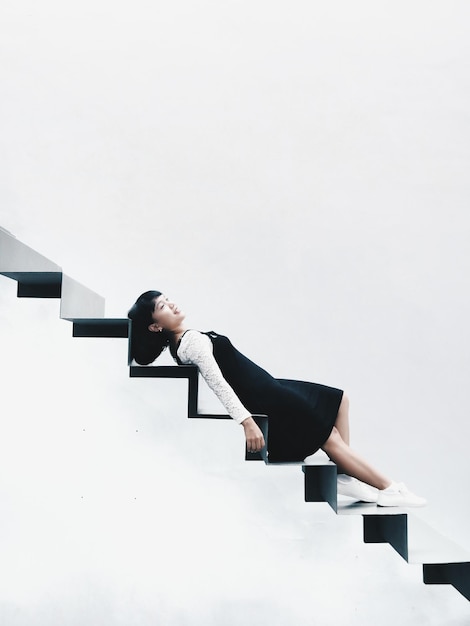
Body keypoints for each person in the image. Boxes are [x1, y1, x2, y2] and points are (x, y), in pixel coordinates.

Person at [128, 290, 426, 507]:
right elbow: (217, 382)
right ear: (155, 326)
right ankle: (389, 488)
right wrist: (246, 421)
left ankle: (345, 475)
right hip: (267, 398)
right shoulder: (190, 342)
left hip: (272, 386)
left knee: (339, 400)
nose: (172, 304)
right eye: (163, 306)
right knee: (329, 438)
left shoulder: (185, 340)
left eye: (168, 299)